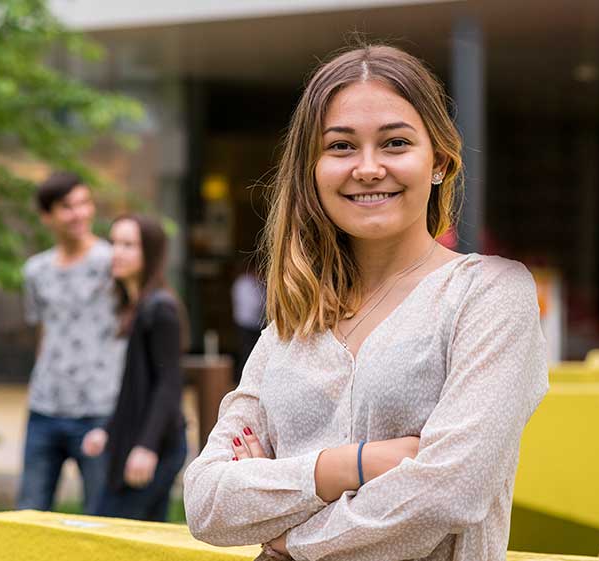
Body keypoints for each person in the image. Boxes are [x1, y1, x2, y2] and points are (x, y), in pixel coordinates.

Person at [183, 44, 548, 561]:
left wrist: (291, 537)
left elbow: (451, 492)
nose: (369, 168)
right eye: (341, 147)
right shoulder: (293, 322)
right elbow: (205, 503)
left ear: (440, 162)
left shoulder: (488, 296)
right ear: (312, 168)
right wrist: (352, 465)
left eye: (395, 143)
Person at [16, 172, 126, 514]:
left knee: (100, 518)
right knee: (28, 517)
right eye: (67, 207)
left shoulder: (114, 263)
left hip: (100, 408)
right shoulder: (35, 271)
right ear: (47, 216)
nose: (79, 213)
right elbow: (43, 332)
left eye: (84, 203)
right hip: (45, 407)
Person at [81, 214, 188, 522]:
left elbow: (168, 385)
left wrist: (146, 446)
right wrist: (108, 431)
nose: (117, 252)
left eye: (129, 245)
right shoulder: (136, 306)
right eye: (114, 243)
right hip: (135, 440)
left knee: (103, 536)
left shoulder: (160, 308)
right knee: (144, 544)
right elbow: (135, 388)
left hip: (154, 445)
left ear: (150, 252)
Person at [231, 258, 266, 383]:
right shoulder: (244, 283)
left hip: (256, 324)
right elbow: (254, 304)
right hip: (246, 324)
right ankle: (244, 380)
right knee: (247, 352)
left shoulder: (257, 283)